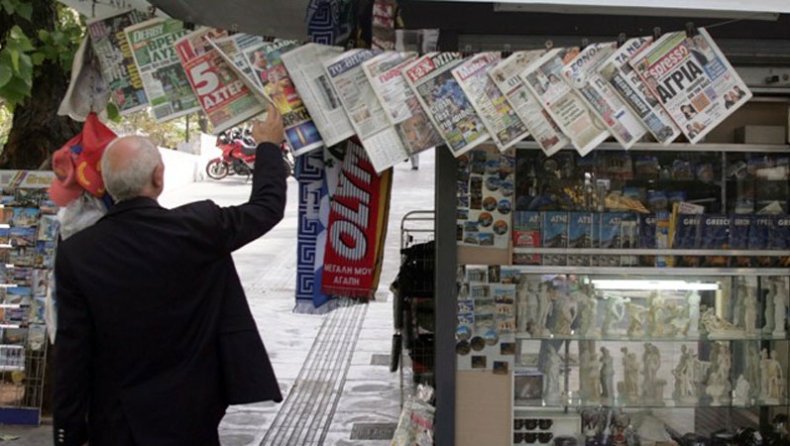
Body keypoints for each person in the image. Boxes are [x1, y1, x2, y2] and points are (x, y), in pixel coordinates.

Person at [53, 103, 288, 446]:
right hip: (192, 416)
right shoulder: (199, 227)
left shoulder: (78, 253)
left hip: (118, 422)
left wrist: (68, 434)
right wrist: (268, 146)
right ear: (159, 177)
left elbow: (72, 351)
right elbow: (266, 207)